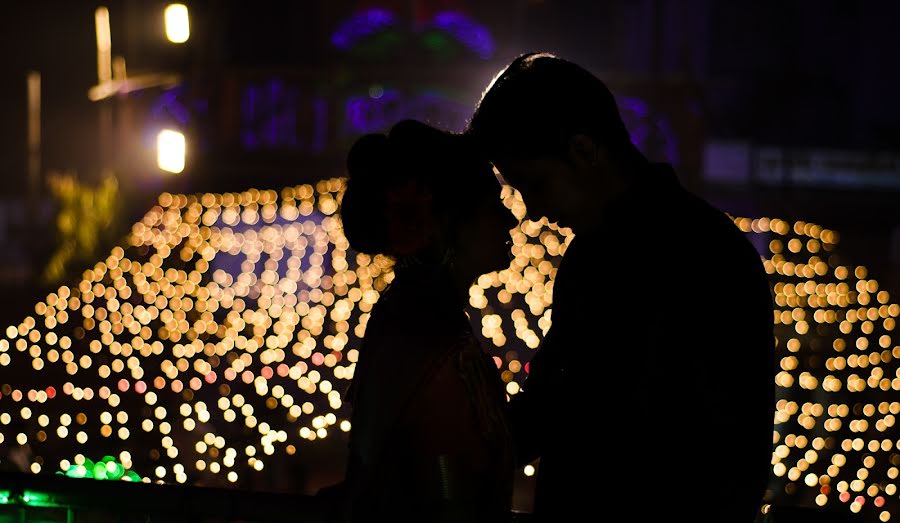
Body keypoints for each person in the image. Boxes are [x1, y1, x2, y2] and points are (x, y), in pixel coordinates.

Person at [466, 52, 775, 522]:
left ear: (585, 151)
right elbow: (549, 404)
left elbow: (726, 455)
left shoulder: (707, 259)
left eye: (535, 184)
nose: (531, 210)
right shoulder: (593, 258)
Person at [323, 119, 518, 522]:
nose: (510, 220)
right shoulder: (424, 332)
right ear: (444, 224)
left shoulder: (423, 316)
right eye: (492, 205)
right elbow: (444, 478)